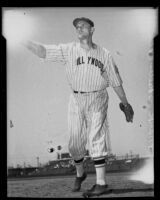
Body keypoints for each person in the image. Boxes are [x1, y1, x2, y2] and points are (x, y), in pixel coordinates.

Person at [23, 17, 134, 197]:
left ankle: (101, 183)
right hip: (76, 98)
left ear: (92, 29)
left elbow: (115, 81)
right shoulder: (69, 50)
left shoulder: (104, 54)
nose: (79, 27)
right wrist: (24, 40)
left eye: (83, 25)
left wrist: (125, 103)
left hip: (98, 97)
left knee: (96, 136)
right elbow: (43, 51)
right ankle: (80, 174)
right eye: (77, 26)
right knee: (75, 145)